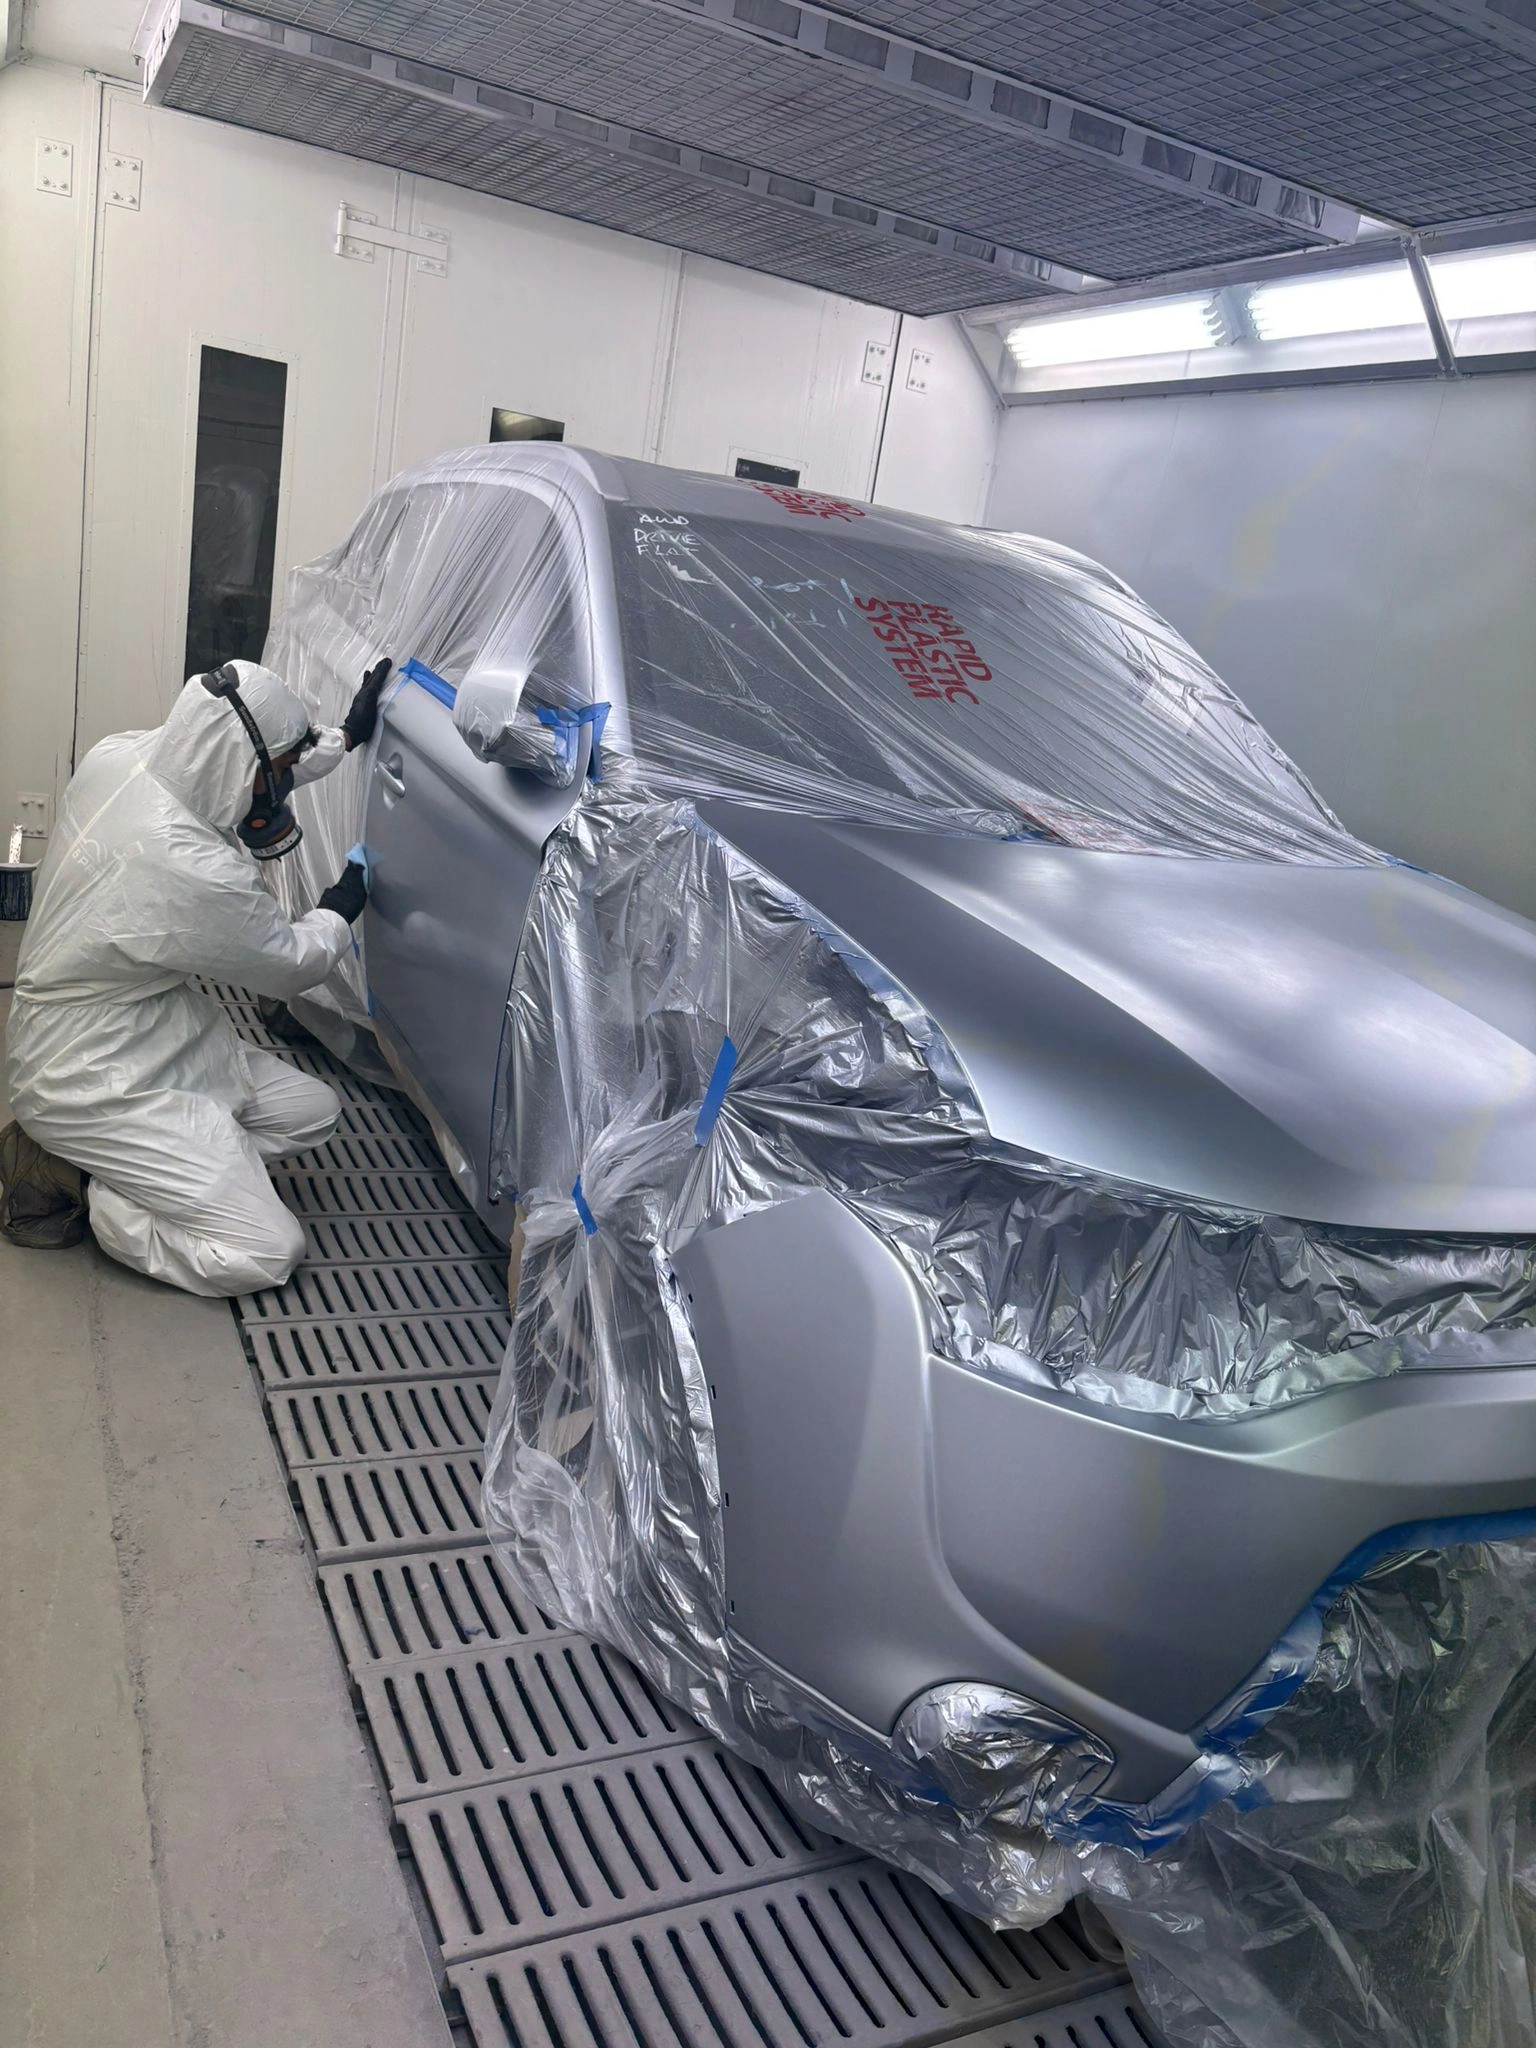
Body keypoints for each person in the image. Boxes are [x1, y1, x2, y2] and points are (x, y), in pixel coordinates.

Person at [2, 656, 390, 1296]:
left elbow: (237, 762)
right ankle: (90, 1184)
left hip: (147, 1030)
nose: (279, 785)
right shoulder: (189, 866)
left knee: (314, 1113)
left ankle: (174, 1165)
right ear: (247, 766)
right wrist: (338, 910)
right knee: (267, 1250)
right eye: (280, 770)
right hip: (83, 1076)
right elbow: (291, 965)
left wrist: (341, 740)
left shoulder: (119, 756)